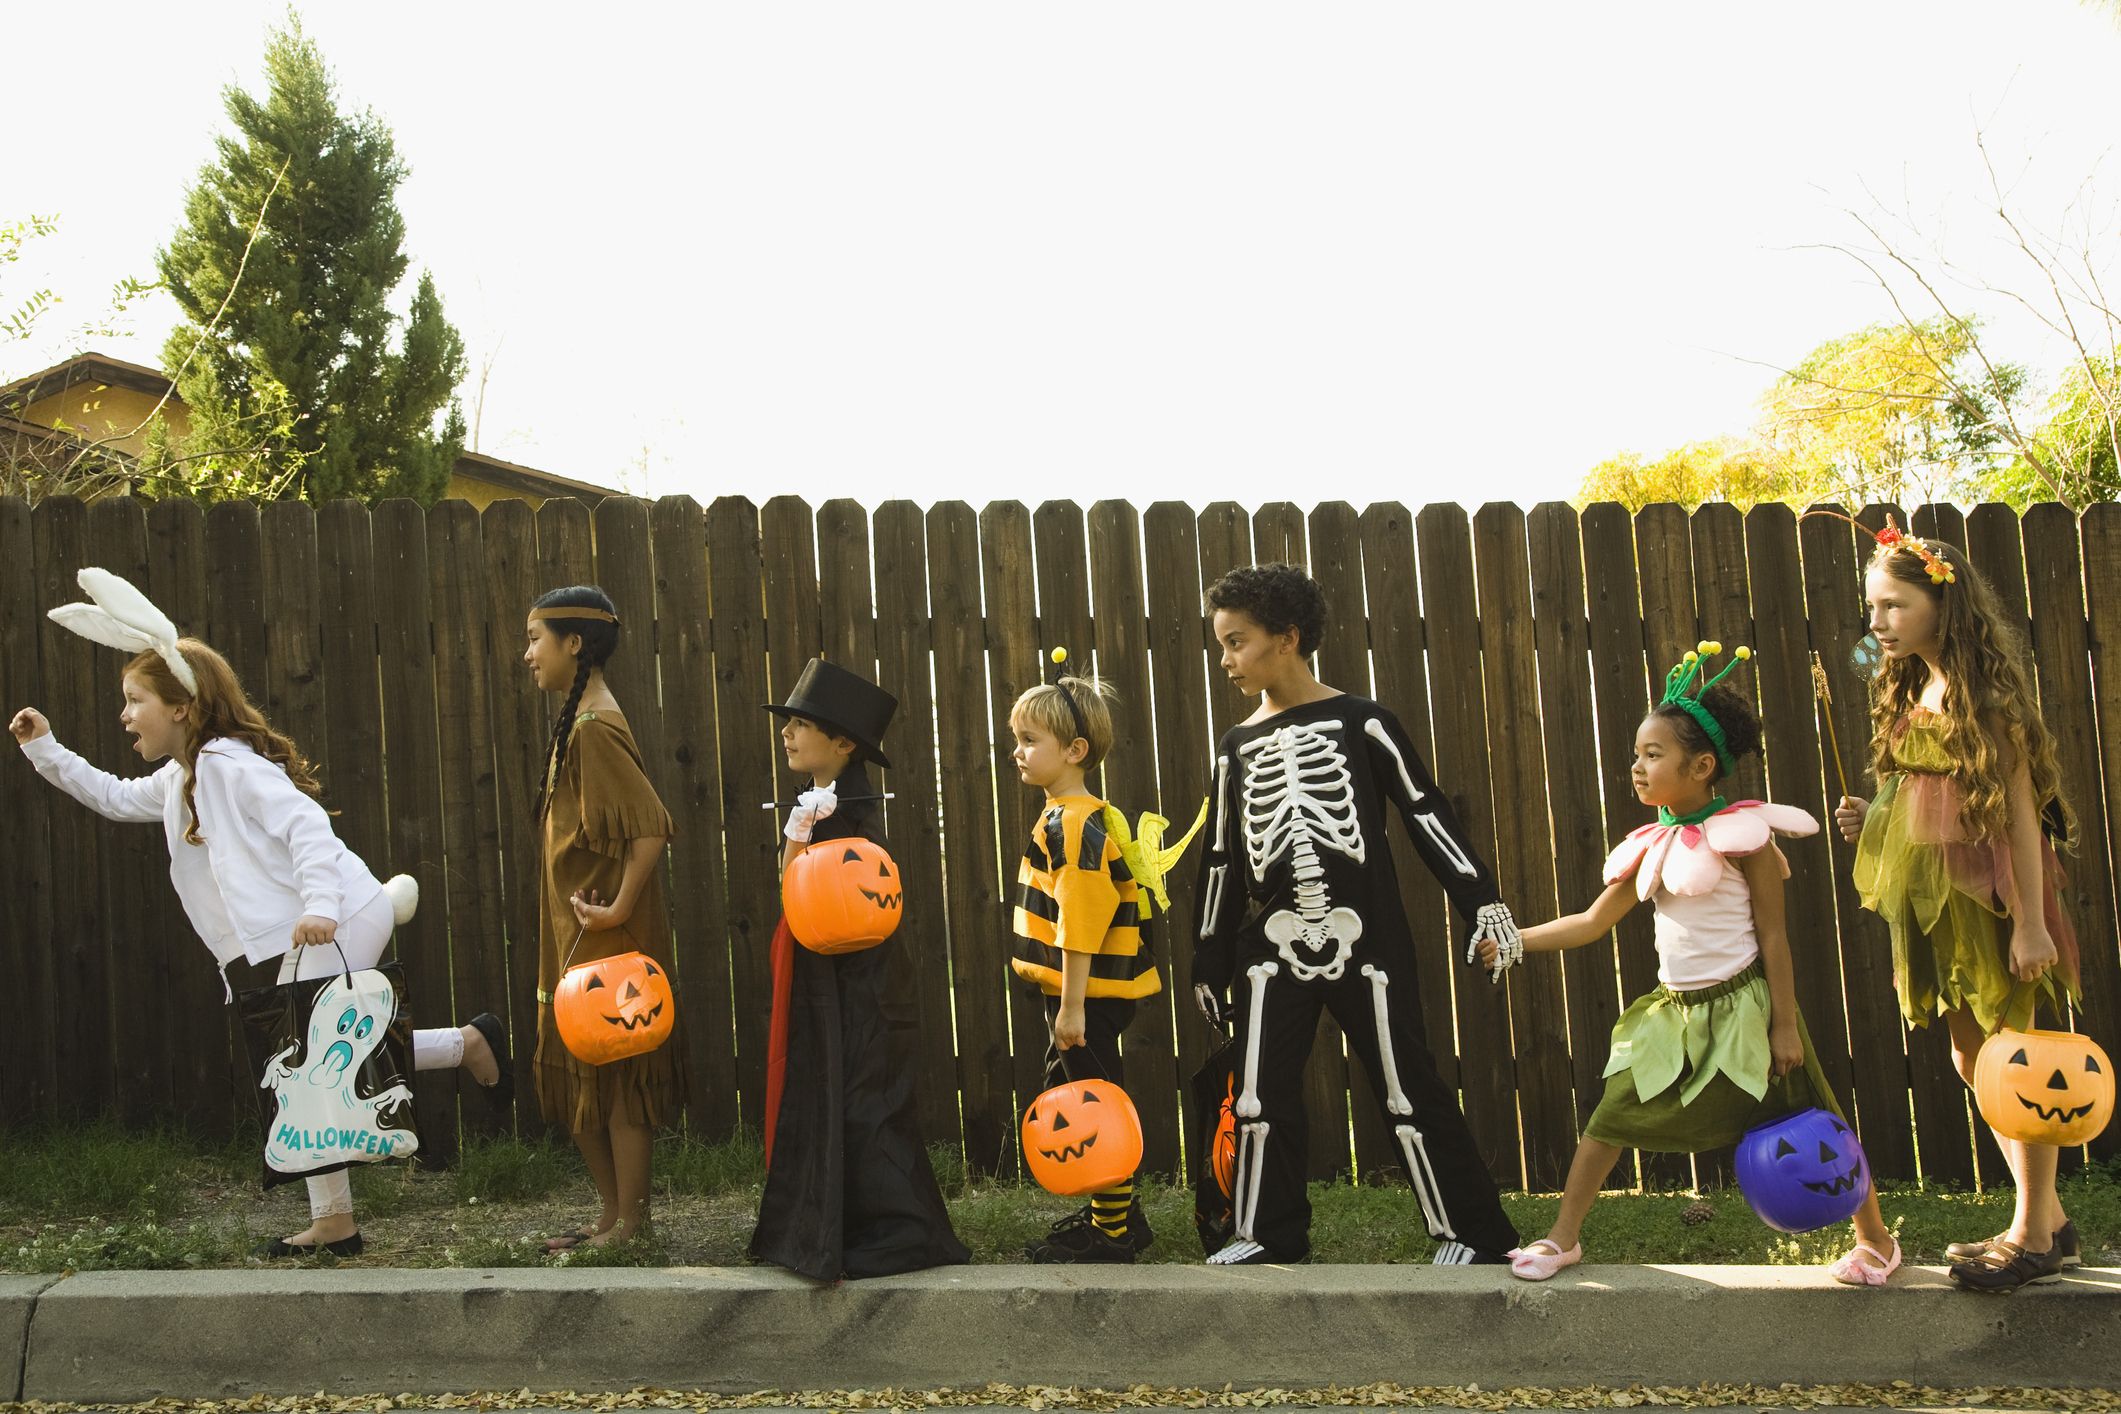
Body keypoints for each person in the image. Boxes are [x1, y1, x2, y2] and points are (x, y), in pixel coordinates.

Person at [17, 568, 508, 1258]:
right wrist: (44, 748)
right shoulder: (182, 774)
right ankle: (462, 1049)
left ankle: (343, 1213)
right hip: (314, 921)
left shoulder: (227, 763)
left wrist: (319, 907)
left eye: (135, 701)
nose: (125, 716)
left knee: (303, 1061)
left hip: (334, 914)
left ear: (182, 707)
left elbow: (306, 827)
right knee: (307, 1061)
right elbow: (114, 795)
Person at [1482, 641, 1898, 1285]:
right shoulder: (1652, 844)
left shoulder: (1746, 840)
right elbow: (1593, 922)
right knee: (1609, 1117)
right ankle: (1564, 1239)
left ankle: (1876, 1239)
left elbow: (1776, 939)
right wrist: (1517, 940)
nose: (1638, 767)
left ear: (1702, 765)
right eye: (1636, 755)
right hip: (1673, 1014)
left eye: (1654, 755)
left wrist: (1783, 1025)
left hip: (1750, 1010)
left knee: (1818, 1117)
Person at [1190, 563, 1524, 1266]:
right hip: (1270, 945)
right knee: (1257, 1095)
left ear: (1286, 638)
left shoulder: (1361, 722)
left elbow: (1425, 811)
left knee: (1407, 1082)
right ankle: (1266, 1235)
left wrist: (1482, 902)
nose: (1225, 660)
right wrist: (1208, 957)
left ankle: (1472, 1233)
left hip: (1365, 935)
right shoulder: (1235, 748)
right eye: (1220, 644)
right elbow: (1220, 858)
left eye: (1236, 642)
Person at [1831, 520, 2083, 1291]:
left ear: (1943, 605)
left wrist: (2033, 924)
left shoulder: (1988, 697)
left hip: (1992, 903)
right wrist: (1868, 814)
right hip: (1935, 903)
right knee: (1972, 1056)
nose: (1876, 624)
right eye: (1872, 608)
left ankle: (2032, 1234)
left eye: (1892, 606)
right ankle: (2047, 1222)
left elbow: (2016, 817)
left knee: (2020, 1058)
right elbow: (1921, 792)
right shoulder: (1913, 683)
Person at [750, 657, 968, 1280]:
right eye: (787, 723)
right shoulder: (820, 806)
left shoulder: (851, 815)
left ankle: (894, 1229)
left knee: (859, 1099)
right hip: (828, 973)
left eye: (800, 724)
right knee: (830, 1091)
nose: (786, 734)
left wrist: (803, 835)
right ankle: (835, 1223)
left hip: (857, 980)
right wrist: (798, 830)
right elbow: (792, 891)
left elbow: (814, 895)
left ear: (842, 742)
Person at [523, 585, 683, 1252]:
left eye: (536, 638)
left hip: (607, 938)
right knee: (584, 1071)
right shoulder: (580, 720)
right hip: (576, 932)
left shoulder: (595, 729)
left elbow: (649, 828)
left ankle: (631, 1226)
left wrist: (617, 906)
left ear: (574, 644)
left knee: (616, 1081)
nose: (527, 653)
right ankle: (612, 1219)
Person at [1008, 672, 1163, 1263]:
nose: (1017, 751)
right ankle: (1121, 1217)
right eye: (1016, 738)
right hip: (1085, 993)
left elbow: (1083, 919)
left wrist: (1071, 1007)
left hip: (1086, 994)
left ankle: (1114, 1236)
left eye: (1029, 740)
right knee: (1090, 1093)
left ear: (1075, 752)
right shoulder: (1072, 814)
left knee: (1089, 1104)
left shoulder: (1070, 823)